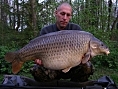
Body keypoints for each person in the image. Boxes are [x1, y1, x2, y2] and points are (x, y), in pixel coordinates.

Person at [30, 2, 94, 82]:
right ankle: (51, 85)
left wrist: (86, 58)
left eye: (68, 15)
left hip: (72, 67)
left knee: (87, 66)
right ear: (56, 13)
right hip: (52, 68)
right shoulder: (46, 31)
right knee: (36, 70)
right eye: (62, 14)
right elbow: (38, 55)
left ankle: (75, 85)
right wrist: (39, 60)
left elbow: (85, 57)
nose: (65, 17)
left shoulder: (76, 30)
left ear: (70, 16)